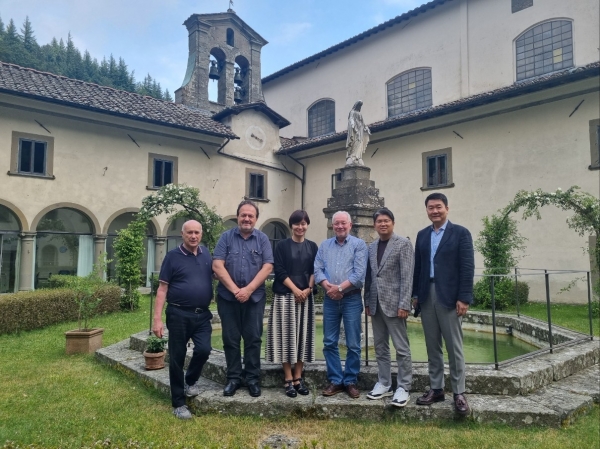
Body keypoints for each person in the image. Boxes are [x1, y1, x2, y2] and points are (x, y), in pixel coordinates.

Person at [412, 193, 475, 416]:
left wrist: (464, 297)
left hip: (449, 295)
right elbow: (418, 268)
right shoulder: (422, 235)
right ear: (427, 210)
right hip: (427, 294)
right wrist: (415, 295)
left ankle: (459, 392)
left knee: (454, 346)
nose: (434, 211)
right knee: (432, 346)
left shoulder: (460, 233)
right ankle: (436, 388)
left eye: (438, 207)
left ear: (447, 208)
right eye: (430, 208)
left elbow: (467, 268)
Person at [152, 220, 213, 420]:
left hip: (202, 314)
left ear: (201, 234)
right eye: (189, 233)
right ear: (182, 234)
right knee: (177, 358)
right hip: (178, 314)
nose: (193, 236)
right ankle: (178, 403)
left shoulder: (206, 255)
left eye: (197, 232)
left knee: (204, 349)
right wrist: (157, 319)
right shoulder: (172, 257)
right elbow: (162, 289)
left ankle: (190, 381)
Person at [212, 200, 274, 398]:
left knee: (253, 339)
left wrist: (248, 290)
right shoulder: (226, 238)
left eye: (251, 216)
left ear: (256, 219)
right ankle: (233, 378)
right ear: (237, 216)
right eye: (243, 215)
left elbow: (267, 267)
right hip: (227, 299)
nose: (247, 219)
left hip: (254, 298)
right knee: (230, 339)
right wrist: (236, 290)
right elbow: (217, 265)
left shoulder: (262, 239)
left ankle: (253, 379)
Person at [314, 210, 368, 399]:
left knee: (353, 343)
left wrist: (339, 288)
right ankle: (336, 380)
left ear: (350, 225)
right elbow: (318, 269)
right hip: (330, 299)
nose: (340, 226)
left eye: (343, 223)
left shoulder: (359, 245)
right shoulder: (324, 245)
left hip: (352, 299)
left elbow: (359, 274)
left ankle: (350, 380)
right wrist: (327, 285)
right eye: (336, 223)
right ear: (332, 225)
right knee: (329, 342)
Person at [364, 208, 414, 407]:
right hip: (376, 304)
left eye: (386, 221)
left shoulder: (403, 244)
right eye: (379, 221)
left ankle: (404, 386)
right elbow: (370, 277)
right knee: (380, 347)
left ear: (392, 222)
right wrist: (367, 301)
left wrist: (404, 304)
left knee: (401, 348)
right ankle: (384, 383)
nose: (382, 224)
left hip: (395, 305)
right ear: (375, 225)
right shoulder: (372, 246)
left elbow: (407, 276)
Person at [266, 210, 318, 398]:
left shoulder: (313, 246)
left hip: (306, 297)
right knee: (285, 337)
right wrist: (295, 289)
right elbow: (279, 270)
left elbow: (315, 269)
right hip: (286, 297)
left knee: (302, 337)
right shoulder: (282, 246)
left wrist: (308, 289)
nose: (300, 227)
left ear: (307, 225)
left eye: (303, 223)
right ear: (291, 225)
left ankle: (298, 377)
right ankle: (288, 378)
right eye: (296, 223)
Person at [345, 100, 371, 166]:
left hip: (360, 131)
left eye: (360, 106)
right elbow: (351, 119)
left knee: (359, 143)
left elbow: (363, 123)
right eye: (359, 105)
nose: (359, 107)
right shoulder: (352, 112)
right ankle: (352, 156)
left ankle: (358, 157)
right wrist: (353, 124)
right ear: (356, 105)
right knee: (354, 142)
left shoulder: (360, 114)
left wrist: (366, 128)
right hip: (354, 131)